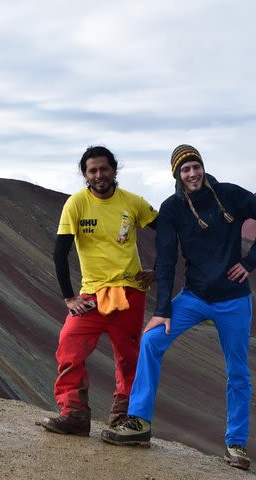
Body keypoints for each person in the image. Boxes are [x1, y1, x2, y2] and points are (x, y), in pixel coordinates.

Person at [101, 144, 256, 471]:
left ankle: (236, 444)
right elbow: (167, 260)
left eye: (195, 166)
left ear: (202, 167)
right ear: (177, 175)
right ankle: (139, 423)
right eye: (185, 170)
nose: (192, 174)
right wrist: (162, 310)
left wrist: (250, 262)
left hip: (234, 300)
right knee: (152, 340)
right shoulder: (171, 209)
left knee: (238, 371)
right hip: (194, 297)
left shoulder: (229, 195)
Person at [39, 145, 159, 437]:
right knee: (69, 345)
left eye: (104, 169)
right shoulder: (76, 204)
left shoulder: (133, 202)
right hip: (91, 296)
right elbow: (60, 252)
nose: (99, 175)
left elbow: (167, 232)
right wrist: (69, 297)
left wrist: (159, 268)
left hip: (130, 292)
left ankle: (123, 421)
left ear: (114, 170)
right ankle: (74, 414)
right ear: (85, 174)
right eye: (92, 170)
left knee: (129, 357)